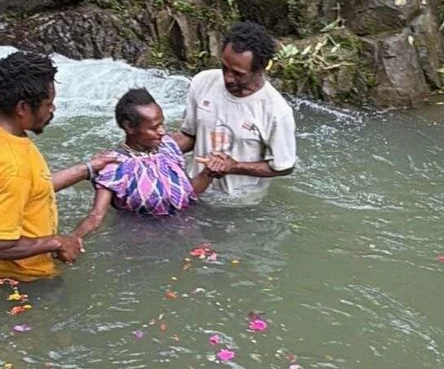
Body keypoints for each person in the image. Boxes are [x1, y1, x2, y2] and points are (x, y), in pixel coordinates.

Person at [0, 51, 114, 282]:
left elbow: (33, 188)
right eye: (48, 104)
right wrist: (57, 242)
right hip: (21, 279)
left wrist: (89, 168)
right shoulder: (14, 168)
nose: (52, 110)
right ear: (23, 107)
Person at [172, 21, 297, 204]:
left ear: (259, 68)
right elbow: (189, 136)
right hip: (194, 189)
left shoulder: (276, 111)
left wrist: (234, 166)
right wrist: (147, 148)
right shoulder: (202, 82)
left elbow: (283, 166)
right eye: (224, 67)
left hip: (239, 203)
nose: (227, 78)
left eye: (238, 73)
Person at [72, 88, 214, 238]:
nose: (162, 131)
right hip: (144, 242)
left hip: (189, 233)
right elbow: (96, 216)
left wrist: (209, 172)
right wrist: (74, 239)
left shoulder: (169, 147)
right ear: (129, 127)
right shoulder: (113, 167)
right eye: (154, 128)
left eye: (162, 124)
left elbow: (188, 193)